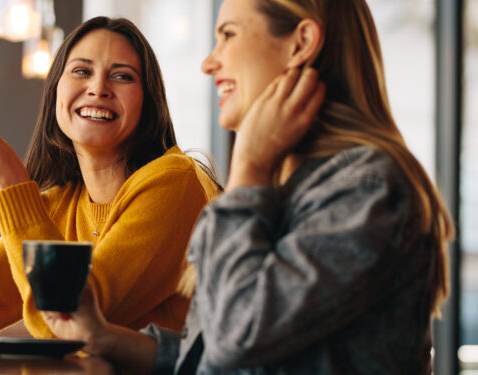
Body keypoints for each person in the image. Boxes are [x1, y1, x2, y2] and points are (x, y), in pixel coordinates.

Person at [41, 0, 454, 373]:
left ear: (301, 43)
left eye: (228, 35)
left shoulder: (364, 187)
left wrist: (248, 169)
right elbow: (210, 356)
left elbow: (237, 340)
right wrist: (104, 337)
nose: (208, 62)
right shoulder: (290, 186)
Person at [0, 16, 221, 338]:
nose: (98, 88)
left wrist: (5, 173)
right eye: (81, 71)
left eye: (122, 76)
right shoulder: (57, 207)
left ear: (148, 102)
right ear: (55, 93)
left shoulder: (174, 182)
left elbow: (70, 320)